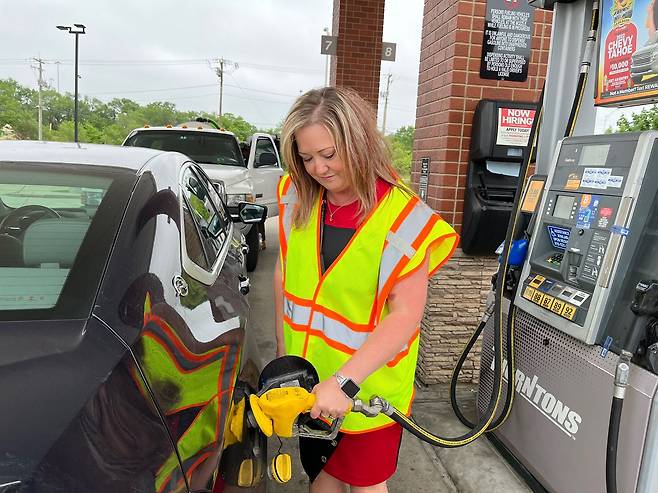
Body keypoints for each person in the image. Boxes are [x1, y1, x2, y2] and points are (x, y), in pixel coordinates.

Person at [274, 87, 458, 493]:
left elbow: (406, 316)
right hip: (310, 386)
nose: (317, 169)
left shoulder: (405, 221)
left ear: (359, 143)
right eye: (306, 158)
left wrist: (344, 382)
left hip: (366, 392)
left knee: (365, 486)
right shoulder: (295, 195)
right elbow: (284, 277)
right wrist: (283, 359)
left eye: (329, 154)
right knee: (321, 479)